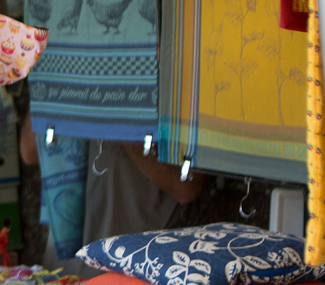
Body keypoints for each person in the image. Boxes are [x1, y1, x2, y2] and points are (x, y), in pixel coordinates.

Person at [18, 112, 205, 276]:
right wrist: (47, 87)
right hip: (61, 273)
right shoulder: (63, 80)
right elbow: (29, 152)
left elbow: (186, 188)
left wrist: (113, 110)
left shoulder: (170, 86)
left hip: (131, 278)